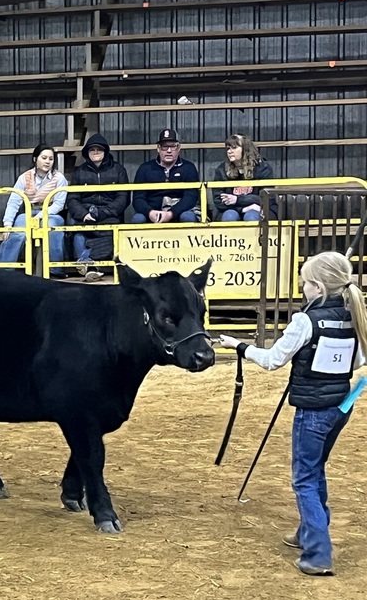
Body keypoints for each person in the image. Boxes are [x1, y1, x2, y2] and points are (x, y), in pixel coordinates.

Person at [220, 251, 367, 577]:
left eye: (304, 284)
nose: (302, 290)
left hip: (313, 410)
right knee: (315, 470)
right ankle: (307, 531)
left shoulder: (305, 320)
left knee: (304, 479)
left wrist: (239, 347)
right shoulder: (353, 312)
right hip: (341, 405)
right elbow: (357, 363)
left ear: (316, 287)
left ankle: (318, 553)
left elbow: (273, 360)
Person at [0, 143, 69, 277]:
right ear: (35, 159)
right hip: (29, 212)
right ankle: (2, 270)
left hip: (51, 213)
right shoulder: (24, 177)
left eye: (51, 159)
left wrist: (41, 215)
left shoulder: (59, 178)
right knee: (17, 232)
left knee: (52, 229)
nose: (47, 162)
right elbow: (14, 201)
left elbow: (59, 204)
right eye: (44, 158)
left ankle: (56, 270)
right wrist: (7, 224)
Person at [65, 134, 130, 281]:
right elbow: (73, 198)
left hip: (109, 214)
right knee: (77, 230)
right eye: (92, 149)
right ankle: (90, 268)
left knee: (112, 231)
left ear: (106, 152)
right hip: (86, 214)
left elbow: (123, 198)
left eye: (99, 149)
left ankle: (86, 261)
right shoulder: (79, 171)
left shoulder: (118, 170)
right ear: (86, 152)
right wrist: (83, 214)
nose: (95, 152)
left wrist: (102, 213)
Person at [130, 128, 201, 224]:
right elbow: (138, 198)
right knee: (138, 219)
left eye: (173, 146)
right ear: (158, 148)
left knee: (188, 217)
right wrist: (150, 212)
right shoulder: (145, 168)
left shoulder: (189, 168)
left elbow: (191, 197)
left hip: (179, 211)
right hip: (153, 212)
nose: (169, 150)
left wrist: (171, 213)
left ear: (179, 148)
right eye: (164, 147)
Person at [211, 134, 275, 222]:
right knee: (229, 216)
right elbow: (218, 201)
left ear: (245, 150)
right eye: (228, 148)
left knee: (251, 216)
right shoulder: (222, 170)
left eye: (234, 148)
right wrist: (243, 209)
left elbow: (267, 198)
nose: (229, 151)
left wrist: (237, 200)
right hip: (232, 210)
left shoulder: (262, 168)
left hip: (258, 209)